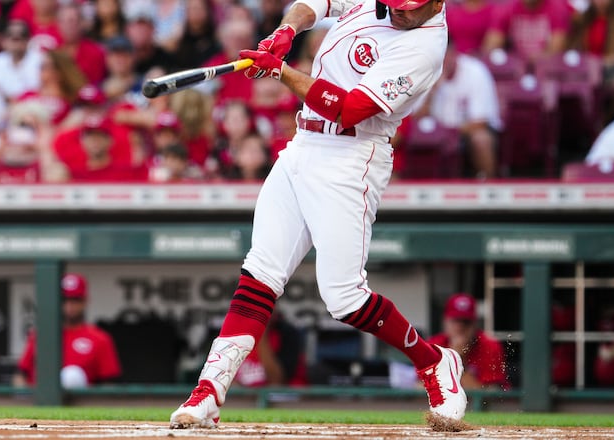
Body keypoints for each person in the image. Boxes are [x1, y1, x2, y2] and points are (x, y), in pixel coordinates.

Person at [169, 0, 467, 431]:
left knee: (344, 299)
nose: (396, 12)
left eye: (406, 8)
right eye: (392, 5)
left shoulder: (425, 45)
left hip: (352, 156)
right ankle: (208, 392)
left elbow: (351, 109)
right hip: (302, 145)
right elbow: (314, 4)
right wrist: (286, 33)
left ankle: (435, 361)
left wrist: (281, 72)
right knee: (260, 273)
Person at [16, 273, 122, 388]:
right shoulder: (41, 335)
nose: (69, 306)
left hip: (83, 402)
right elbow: (20, 375)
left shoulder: (100, 339)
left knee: (72, 376)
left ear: (85, 301)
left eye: (75, 300)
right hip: (41, 402)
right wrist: (24, 395)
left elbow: (109, 384)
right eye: (64, 300)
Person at [416, 40, 501, 178]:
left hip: (466, 132)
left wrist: (450, 132)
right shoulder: (426, 73)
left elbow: (480, 121)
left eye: (444, 55)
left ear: (453, 53)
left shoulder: (475, 71)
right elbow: (416, 118)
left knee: (481, 139)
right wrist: (432, 91)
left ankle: (489, 186)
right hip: (435, 134)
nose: (441, 61)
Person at [427, 293, 509, 390]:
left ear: (475, 323)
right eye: (455, 320)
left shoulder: (490, 346)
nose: (460, 327)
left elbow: (489, 395)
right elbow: (421, 388)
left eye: (466, 322)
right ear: (445, 321)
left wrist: (458, 361)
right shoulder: (434, 345)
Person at [482, 0, 571, 65]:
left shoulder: (556, 9)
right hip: (514, 68)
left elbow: (555, 50)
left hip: (545, 69)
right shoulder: (507, 9)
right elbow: (491, 46)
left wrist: (534, 59)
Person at [0, 20, 43, 102]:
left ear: (29, 40)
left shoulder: (41, 61)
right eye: (10, 34)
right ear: (2, 40)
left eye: (22, 35)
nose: (16, 38)